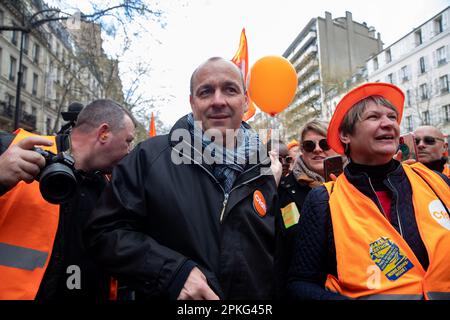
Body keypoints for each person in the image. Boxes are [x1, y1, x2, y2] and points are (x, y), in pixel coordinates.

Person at [84, 57, 279, 300]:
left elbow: (274, 259)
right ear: (192, 102)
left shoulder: (263, 172)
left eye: (230, 89)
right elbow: (104, 233)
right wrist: (171, 273)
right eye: (206, 92)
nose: (218, 101)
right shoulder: (148, 158)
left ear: (246, 100)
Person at [287, 83, 450, 300]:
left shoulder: (436, 181)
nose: (388, 124)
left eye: (392, 117)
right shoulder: (324, 200)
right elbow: (300, 283)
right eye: (373, 117)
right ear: (346, 135)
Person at [0, 99, 136, 300]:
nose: (129, 150)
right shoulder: (13, 149)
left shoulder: (110, 188)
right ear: (104, 133)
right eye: (128, 140)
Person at [276, 120, 340, 298]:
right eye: (309, 145)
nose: (318, 149)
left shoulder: (355, 184)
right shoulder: (284, 190)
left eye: (325, 143)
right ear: (302, 152)